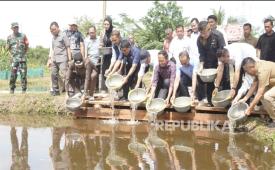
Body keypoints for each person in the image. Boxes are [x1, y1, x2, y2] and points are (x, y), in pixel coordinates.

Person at [239, 57, 275, 128]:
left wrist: (250, 108)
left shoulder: (262, 70)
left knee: (267, 96)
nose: (246, 73)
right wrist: (245, 99)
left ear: (251, 67)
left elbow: (259, 93)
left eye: (246, 70)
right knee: (262, 96)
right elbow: (254, 85)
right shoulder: (257, 66)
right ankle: (272, 116)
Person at [197, 21, 225, 106]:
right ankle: (210, 102)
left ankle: (223, 102)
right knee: (208, 82)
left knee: (222, 82)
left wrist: (219, 65)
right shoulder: (199, 39)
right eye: (201, 33)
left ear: (209, 29)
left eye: (205, 33)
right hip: (208, 64)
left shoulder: (218, 35)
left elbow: (222, 51)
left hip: (220, 62)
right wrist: (201, 66)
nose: (203, 36)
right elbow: (201, 54)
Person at [47, 21, 71, 96]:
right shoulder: (53, 37)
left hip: (62, 58)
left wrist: (70, 59)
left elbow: (68, 47)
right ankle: (56, 90)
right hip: (55, 59)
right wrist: (50, 59)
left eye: (54, 29)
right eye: (51, 30)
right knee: (53, 74)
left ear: (58, 28)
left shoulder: (63, 35)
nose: (52, 31)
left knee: (65, 75)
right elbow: (53, 49)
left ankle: (70, 90)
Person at [6, 22, 29, 94]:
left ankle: (24, 90)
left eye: (17, 27)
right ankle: (12, 89)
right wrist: (11, 56)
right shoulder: (9, 37)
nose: (16, 28)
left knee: (23, 75)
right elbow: (8, 48)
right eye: (14, 27)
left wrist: (24, 54)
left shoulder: (23, 36)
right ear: (12, 28)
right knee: (13, 75)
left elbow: (27, 45)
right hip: (14, 60)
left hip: (22, 59)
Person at [100, 16, 114, 91]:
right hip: (105, 54)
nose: (106, 26)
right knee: (104, 71)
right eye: (104, 24)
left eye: (107, 24)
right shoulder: (102, 32)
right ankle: (105, 89)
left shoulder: (114, 31)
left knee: (112, 71)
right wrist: (100, 47)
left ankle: (113, 89)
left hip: (114, 54)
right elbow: (101, 43)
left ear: (110, 24)